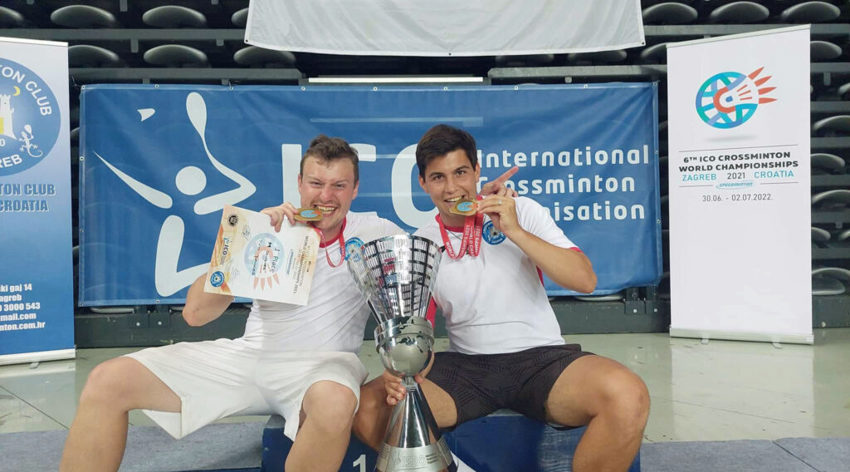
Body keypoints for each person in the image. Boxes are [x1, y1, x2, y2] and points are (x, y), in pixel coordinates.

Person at [60, 135, 404, 472]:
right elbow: (195, 315)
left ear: (355, 189)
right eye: (316, 183)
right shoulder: (265, 228)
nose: (326, 196)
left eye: (339, 186)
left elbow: (417, 292)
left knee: (336, 403)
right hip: (252, 357)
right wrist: (243, 244)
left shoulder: (378, 232)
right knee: (108, 380)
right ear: (299, 183)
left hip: (327, 364)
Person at [353, 124, 650, 472]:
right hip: (468, 367)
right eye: (438, 177)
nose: (451, 187)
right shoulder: (424, 242)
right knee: (367, 408)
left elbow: (584, 279)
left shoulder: (520, 210)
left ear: (477, 171)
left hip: (542, 360)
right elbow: (423, 334)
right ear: (423, 183)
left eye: (461, 172)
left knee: (628, 394)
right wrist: (404, 374)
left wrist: (514, 230)